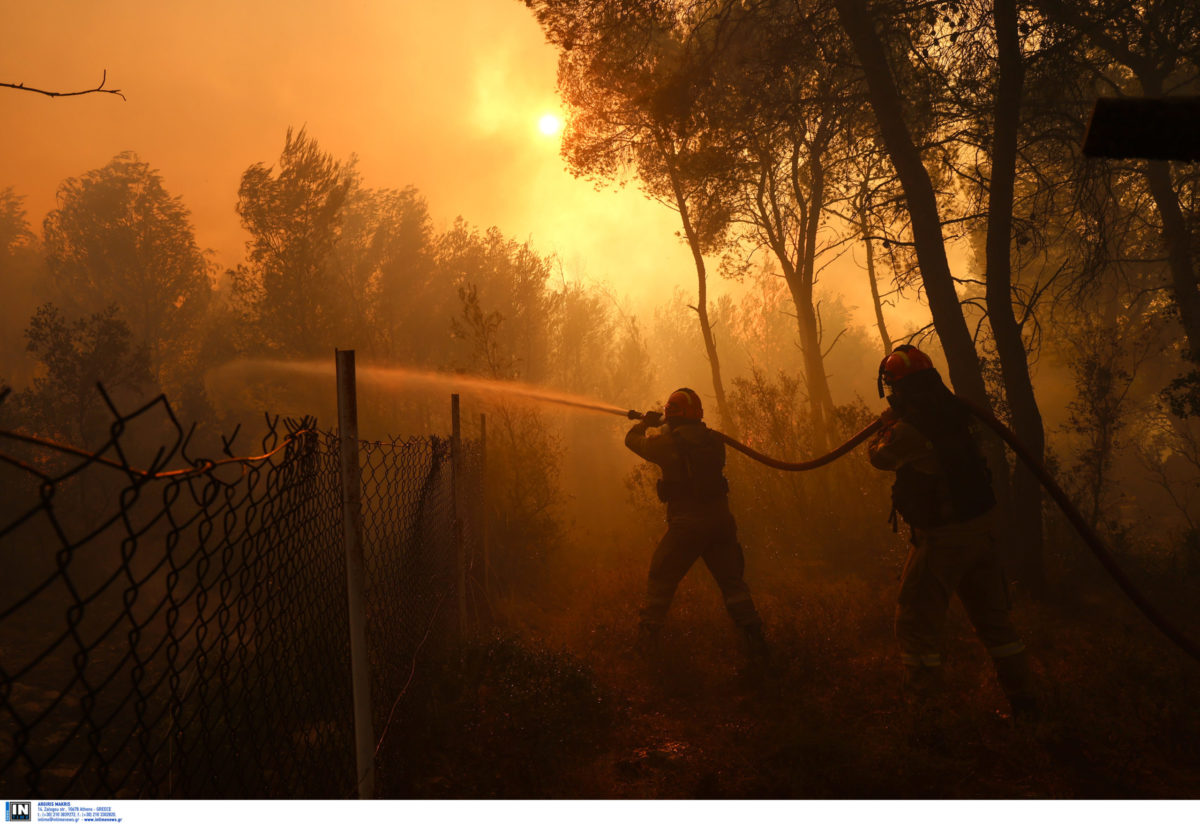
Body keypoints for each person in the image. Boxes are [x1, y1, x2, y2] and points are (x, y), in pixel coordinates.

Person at [868, 345, 1038, 719]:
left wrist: (885, 426)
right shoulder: (957, 413)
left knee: (915, 625)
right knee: (995, 622)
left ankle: (926, 716)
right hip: (981, 533)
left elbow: (879, 457)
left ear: (896, 387)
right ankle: (1025, 702)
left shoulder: (909, 429)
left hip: (942, 541)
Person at [625, 387, 769, 668]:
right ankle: (756, 643)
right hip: (721, 524)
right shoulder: (714, 441)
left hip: (687, 528)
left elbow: (632, 440)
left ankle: (645, 646)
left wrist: (645, 423)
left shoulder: (666, 444)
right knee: (733, 585)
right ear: (698, 414)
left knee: (661, 577)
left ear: (670, 413)